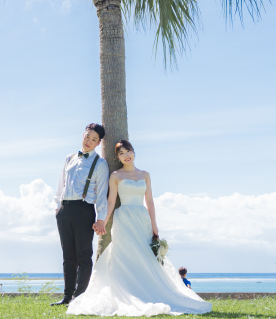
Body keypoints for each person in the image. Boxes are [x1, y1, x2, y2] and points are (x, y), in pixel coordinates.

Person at [67, 140, 212, 316]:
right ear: (118, 157)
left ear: (134, 152)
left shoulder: (145, 175)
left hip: (142, 218)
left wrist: (154, 225)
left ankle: (147, 290)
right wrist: (103, 221)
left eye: (128, 151)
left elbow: (149, 201)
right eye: (121, 153)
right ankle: (129, 292)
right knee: (126, 256)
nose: (126, 156)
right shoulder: (116, 176)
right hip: (124, 219)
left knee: (145, 257)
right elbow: (111, 201)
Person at [51, 123, 110, 306]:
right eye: (87, 137)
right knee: (68, 255)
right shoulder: (69, 158)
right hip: (64, 209)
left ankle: (80, 297)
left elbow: (101, 193)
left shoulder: (100, 163)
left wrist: (101, 218)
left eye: (94, 140)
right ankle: (67, 296)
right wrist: (58, 206)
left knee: (83, 255)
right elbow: (61, 184)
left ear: (98, 143)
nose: (89, 142)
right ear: (83, 135)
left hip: (84, 209)